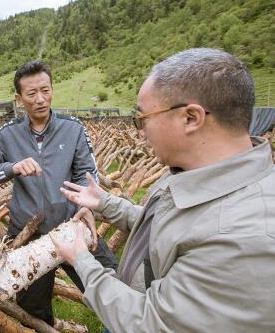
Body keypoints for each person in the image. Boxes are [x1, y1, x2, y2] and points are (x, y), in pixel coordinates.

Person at [53, 48, 275, 332]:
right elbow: (165, 226)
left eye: (144, 117)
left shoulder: (243, 238)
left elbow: (153, 323)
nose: (140, 132)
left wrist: (82, 260)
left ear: (191, 118)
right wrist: (105, 203)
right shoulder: (192, 170)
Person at [0, 60, 117, 325]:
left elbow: (88, 175)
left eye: (45, 90)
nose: (40, 99)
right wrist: (13, 167)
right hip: (27, 234)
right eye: (31, 94)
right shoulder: (8, 135)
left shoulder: (73, 129)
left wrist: (85, 208)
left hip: (72, 226)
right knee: (32, 311)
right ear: (19, 98)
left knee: (113, 288)